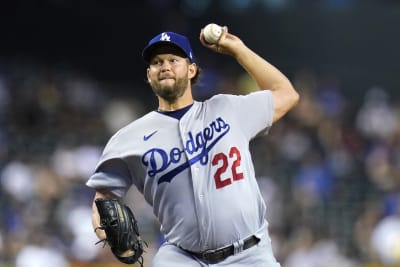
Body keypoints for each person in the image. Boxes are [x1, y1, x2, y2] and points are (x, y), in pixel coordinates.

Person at [87, 25, 299, 267]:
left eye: (173, 59)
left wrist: (238, 49)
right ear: (148, 74)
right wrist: (105, 233)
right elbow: (103, 197)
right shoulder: (128, 139)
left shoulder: (228, 109)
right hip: (182, 257)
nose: (165, 66)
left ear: (192, 70)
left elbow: (286, 94)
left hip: (249, 255)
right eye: (157, 62)